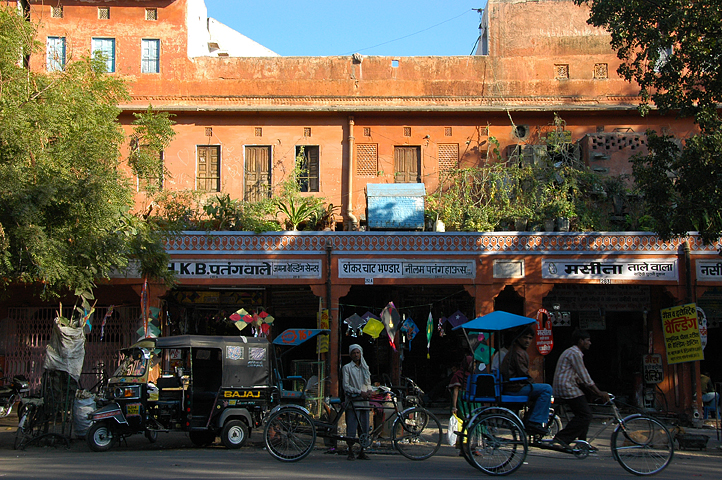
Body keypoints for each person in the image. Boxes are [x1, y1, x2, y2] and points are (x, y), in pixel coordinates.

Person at [552, 329, 610, 450]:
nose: (590, 343)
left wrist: (592, 390)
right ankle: (562, 438)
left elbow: (578, 377)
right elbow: (584, 375)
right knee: (586, 415)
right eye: (588, 340)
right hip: (566, 387)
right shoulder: (575, 353)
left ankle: (582, 443)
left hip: (567, 385)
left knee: (583, 413)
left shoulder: (572, 352)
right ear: (581, 341)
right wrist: (598, 392)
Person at [500, 326, 553, 436]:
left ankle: (530, 418)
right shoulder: (518, 353)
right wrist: (532, 382)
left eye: (530, 338)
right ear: (518, 338)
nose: (527, 341)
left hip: (515, 385)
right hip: (515, 387)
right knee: (547, 389)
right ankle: (535, 421)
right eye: (525, 338)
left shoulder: (516, 350)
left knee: (540, 390)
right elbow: (523, 374)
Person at [342, 344, 373, 460]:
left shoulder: (365, 368)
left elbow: (368, 382)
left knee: (364, 427)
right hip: (353, 402)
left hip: (364, 402)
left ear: (361, 354)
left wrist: (369, 390)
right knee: (351, 427)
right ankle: (350, 450)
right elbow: (346, 386)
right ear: (351, 355)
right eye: (354, 353)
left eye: (358, 353)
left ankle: (362, 451)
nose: (356, 355)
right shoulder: (347, 368)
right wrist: (360, 392)